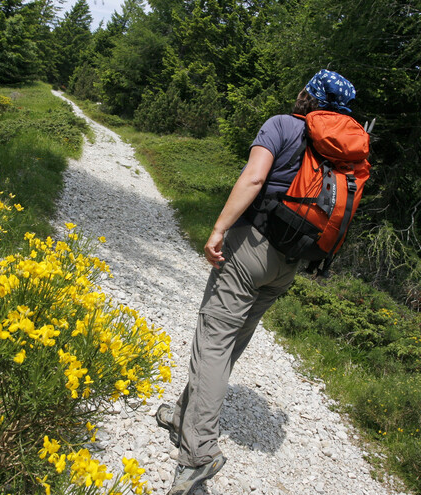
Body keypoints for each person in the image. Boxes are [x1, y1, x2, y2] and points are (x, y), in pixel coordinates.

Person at [156, 69, 360, 495]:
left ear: (309, 95)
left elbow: (252, 178)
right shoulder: (342, 156)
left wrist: (218, 229)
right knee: (228, 345)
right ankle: (181, 417)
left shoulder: (282, 125)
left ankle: (198, 456)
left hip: (251, 248)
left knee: (213, 342)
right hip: (289, 263)